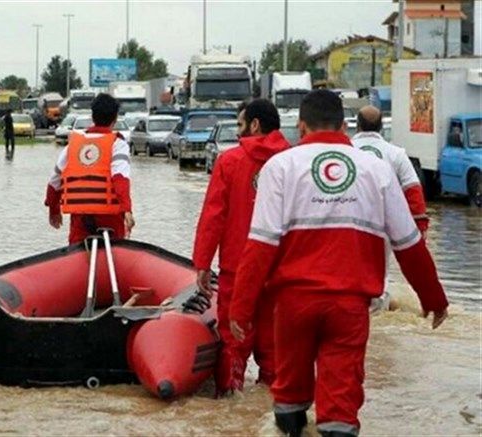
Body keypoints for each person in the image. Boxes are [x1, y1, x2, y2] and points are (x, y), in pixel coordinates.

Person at [229, 90, 448, 437]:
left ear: (300, 127)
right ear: (344, 126)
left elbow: (260, 245)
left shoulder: (280, 166)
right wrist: (434, 299)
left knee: (288, 394)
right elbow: (409, 244)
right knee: (341, 405)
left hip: (292, 306)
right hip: (350, 307)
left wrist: (240, 307)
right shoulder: (377, 169)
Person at [192, 99, 290, 396]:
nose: (238, 132)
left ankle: (229, 405)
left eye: (240, 124)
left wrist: (202, 264)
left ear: (255, 125)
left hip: (237, 270)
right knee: (276, 353)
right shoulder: (293, 162)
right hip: (282, 272)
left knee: (233, 346)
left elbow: (214, 217)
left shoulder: (230, 161)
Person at [351, 105, 429, 311]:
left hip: (346, 220)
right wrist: (419, 228)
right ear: (381, 127)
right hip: (383, 224)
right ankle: (378, 311)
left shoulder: (345, 150)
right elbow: (413, 191)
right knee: (379, 272)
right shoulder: (396, 154)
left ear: (357, 126)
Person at [45, 93, 135, 244]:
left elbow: (54, 181)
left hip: (81, 218)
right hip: (110, 217)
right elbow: (120, 178)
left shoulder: (73, 145)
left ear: (92, 117)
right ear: (115, 119)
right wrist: (127, 209)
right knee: (116, 253)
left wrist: (54, 210)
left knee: (77, 252)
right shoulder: (118, 144)